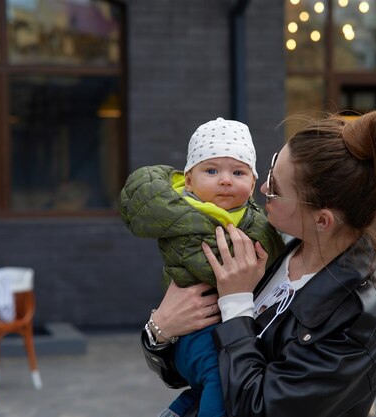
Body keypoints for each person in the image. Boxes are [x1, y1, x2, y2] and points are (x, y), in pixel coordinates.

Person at [142, 105, 376, 417]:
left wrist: (237, 302)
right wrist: (158, 332)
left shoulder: (358, 318)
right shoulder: (273, 245)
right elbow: (193, 372)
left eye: (277, 190)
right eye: (270, 171)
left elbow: (258, 409)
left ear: (322, 220)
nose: (263, 188)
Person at [119, 117, 285, 417]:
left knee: (210, 384)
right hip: (196, 329)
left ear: (253, 183)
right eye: (212, 170)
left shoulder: (253, 217)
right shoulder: (185, 216)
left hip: (220, 325)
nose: (225, 180)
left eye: (238, 172)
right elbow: (217, 268)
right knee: (221, 375)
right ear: (190, 181)